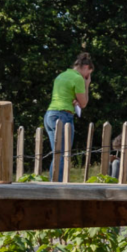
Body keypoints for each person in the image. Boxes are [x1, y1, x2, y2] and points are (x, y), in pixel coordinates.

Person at [45, 53, 92, 181]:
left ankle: (52, 182)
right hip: (63, 115)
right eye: (88, 73)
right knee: (62, 154)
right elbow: (83, 103)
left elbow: (67, 96)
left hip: (50, 114)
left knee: (57, 153)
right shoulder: (78, 78)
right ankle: (58, 185)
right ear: (86, 67)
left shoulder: (61, 75)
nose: (88, 77)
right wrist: (87, 85)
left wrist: (75, 100)